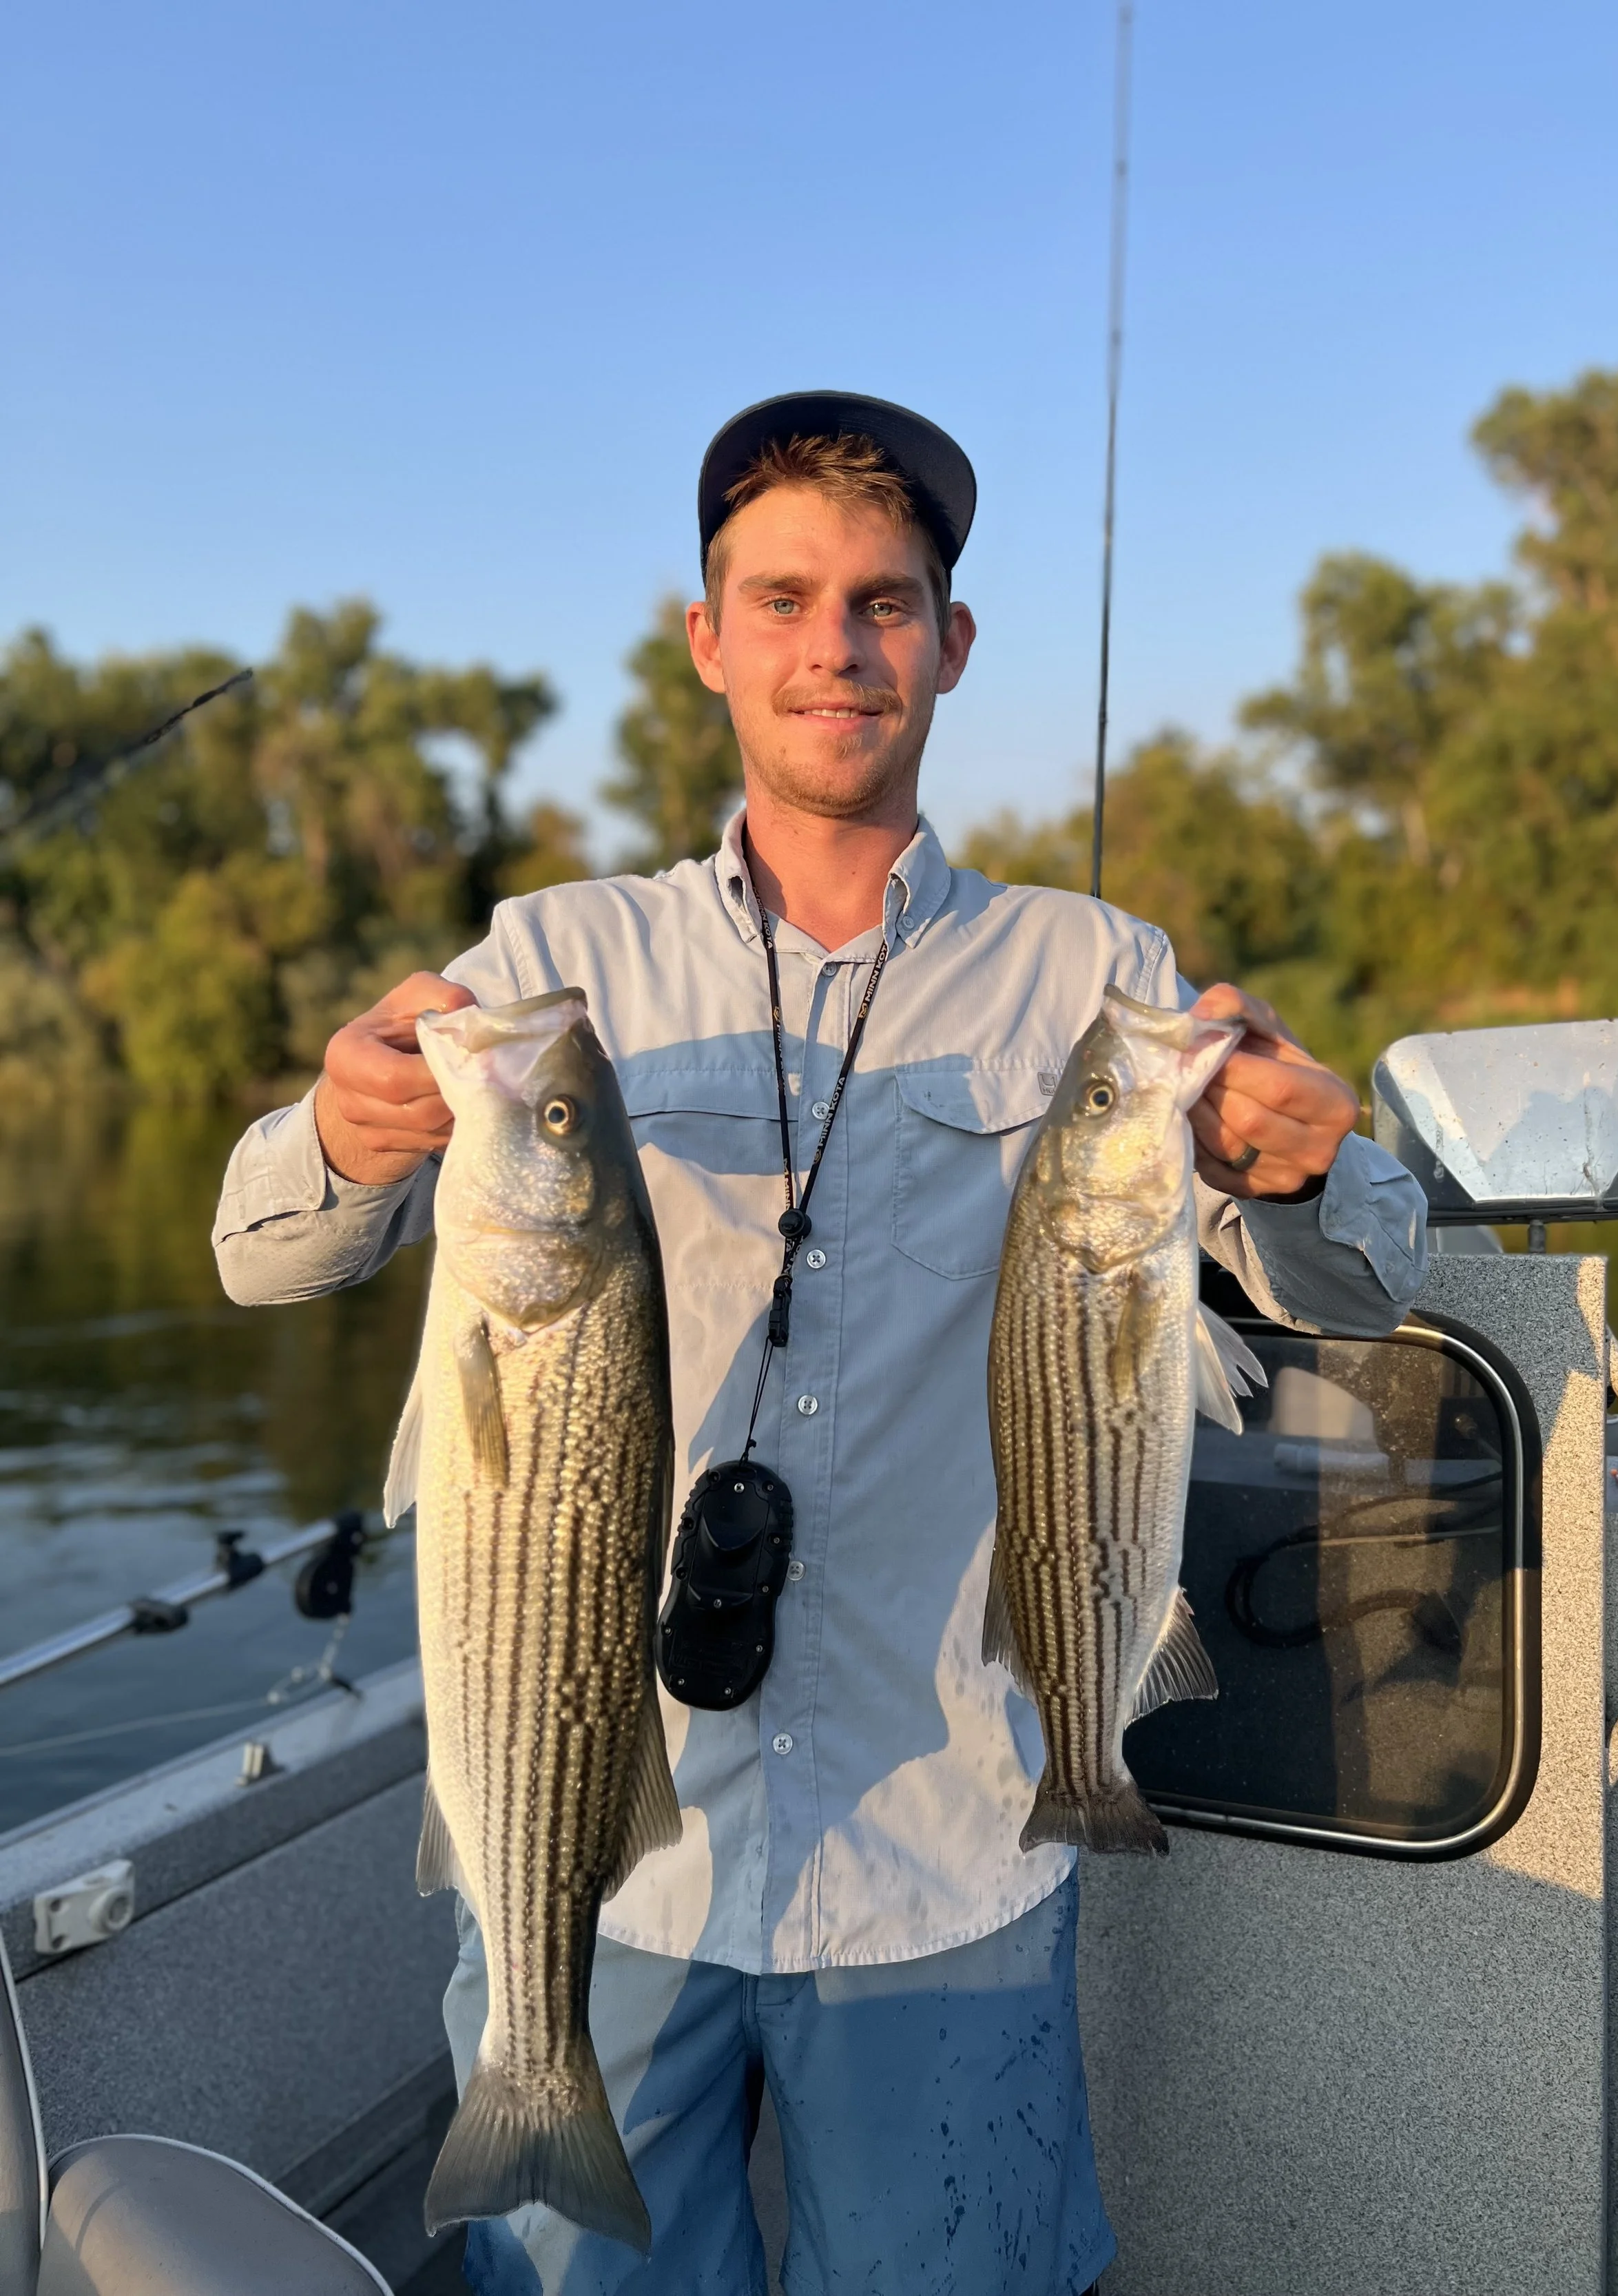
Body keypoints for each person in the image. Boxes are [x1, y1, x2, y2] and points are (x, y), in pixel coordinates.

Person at [214, 391, 1428, 2296]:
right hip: (601, 1835)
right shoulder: (550, 963)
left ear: (949, 643)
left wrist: (1309, 1169)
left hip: (943, 1833)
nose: (832, 645)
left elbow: (1351, 1295)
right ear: (706, 641)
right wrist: (345, 1139)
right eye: (780, 597)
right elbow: (256, 1258)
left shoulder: (1096, 974)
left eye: (883, 602)